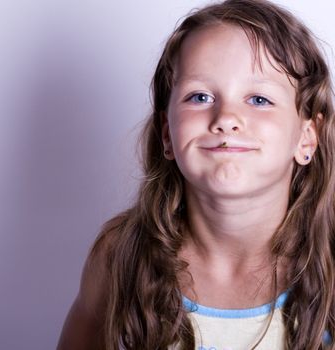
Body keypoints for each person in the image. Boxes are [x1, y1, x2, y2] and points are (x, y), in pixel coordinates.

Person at [57, 0, 335, 349]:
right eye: (200, 96)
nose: (226, 117)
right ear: (167, 135)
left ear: (307, 137)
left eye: (259, 99)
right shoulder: (120, 258)